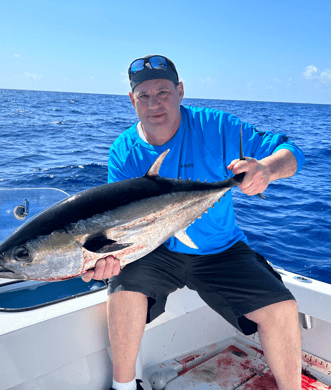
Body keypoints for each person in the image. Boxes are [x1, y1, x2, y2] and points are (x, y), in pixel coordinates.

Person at [82, 55, 305, 390]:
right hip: (155, 248)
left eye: (163, 93)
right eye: (144, 95)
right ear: (132, 100)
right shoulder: (123, 152)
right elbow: (120, 225)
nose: (154, 103)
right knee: (124, 291)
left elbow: (291, 152)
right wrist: (104, 259)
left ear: (181, 91)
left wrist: (267, 169)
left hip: (222, 249)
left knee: (283, 309)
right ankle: (124, 387)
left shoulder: (217, 126)